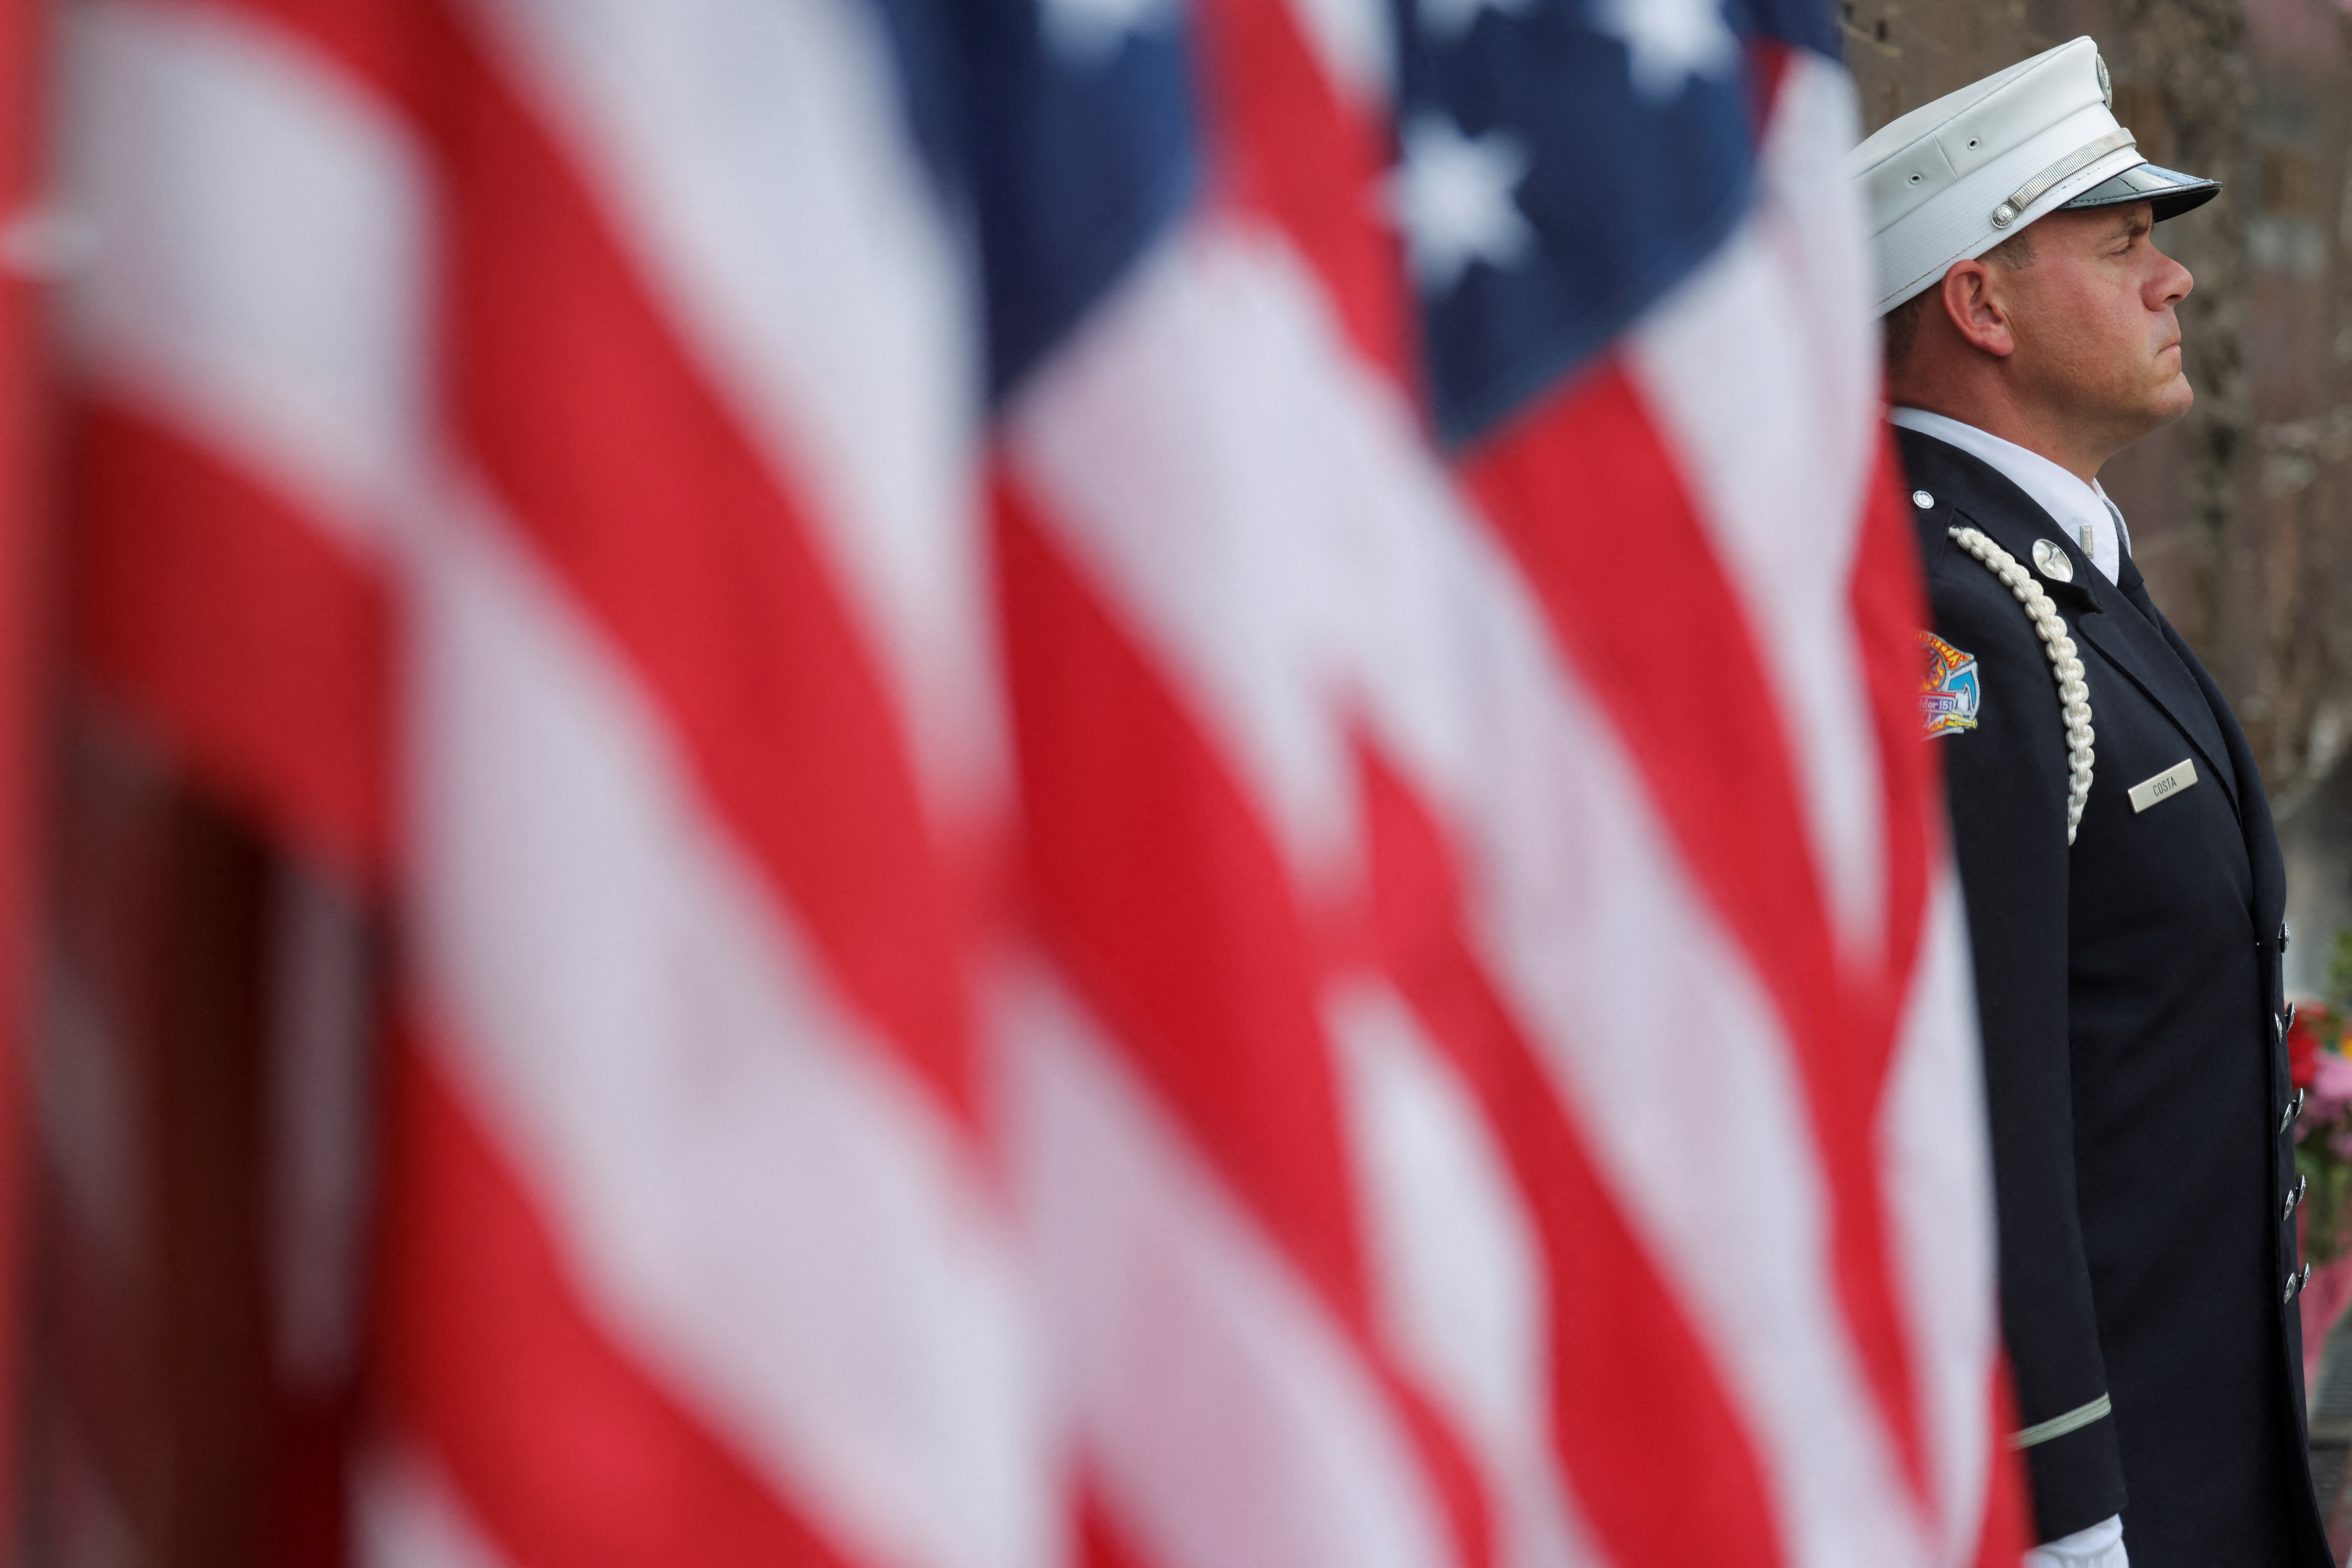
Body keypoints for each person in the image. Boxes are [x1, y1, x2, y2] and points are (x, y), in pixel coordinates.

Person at [1852, 38, 2332, 1568]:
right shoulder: (1951, 620)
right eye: (2121, 242)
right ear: (1977, 304)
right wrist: (2058, 1511)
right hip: (2098, 1508)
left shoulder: (2064, 581)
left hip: (2201, 1481)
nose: (2173, 280)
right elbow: (1976, 1113)